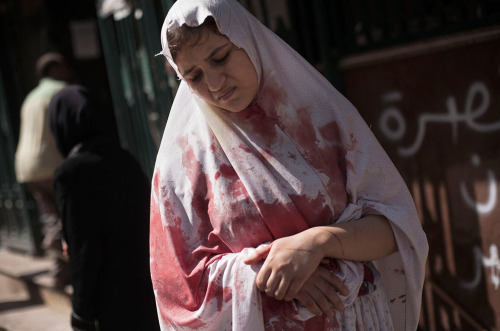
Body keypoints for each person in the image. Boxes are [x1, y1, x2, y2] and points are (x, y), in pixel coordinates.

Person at [150, 0, 428, 330]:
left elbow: (396, 227)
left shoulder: (326, 123)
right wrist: (268, 273)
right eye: (194, 76)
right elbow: (177, 286)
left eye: (220, 57)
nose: (213, 83)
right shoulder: (182, 168)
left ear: (247, 38)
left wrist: (316, 244)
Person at [48, 85, 160, 331]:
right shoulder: (125, 159)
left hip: (111, 296)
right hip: (147, 288)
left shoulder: (71, 173)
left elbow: (83, 248)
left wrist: (81, 311)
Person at [15, 52, 73, 287]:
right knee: (67, 217)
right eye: (63, 66)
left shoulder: (31, 96)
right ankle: (57, 245)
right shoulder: (60, 90)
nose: (69, 70)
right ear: (54, 69)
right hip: (51, 163)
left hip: (27, 165)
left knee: (52, 218)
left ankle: (60, 272)